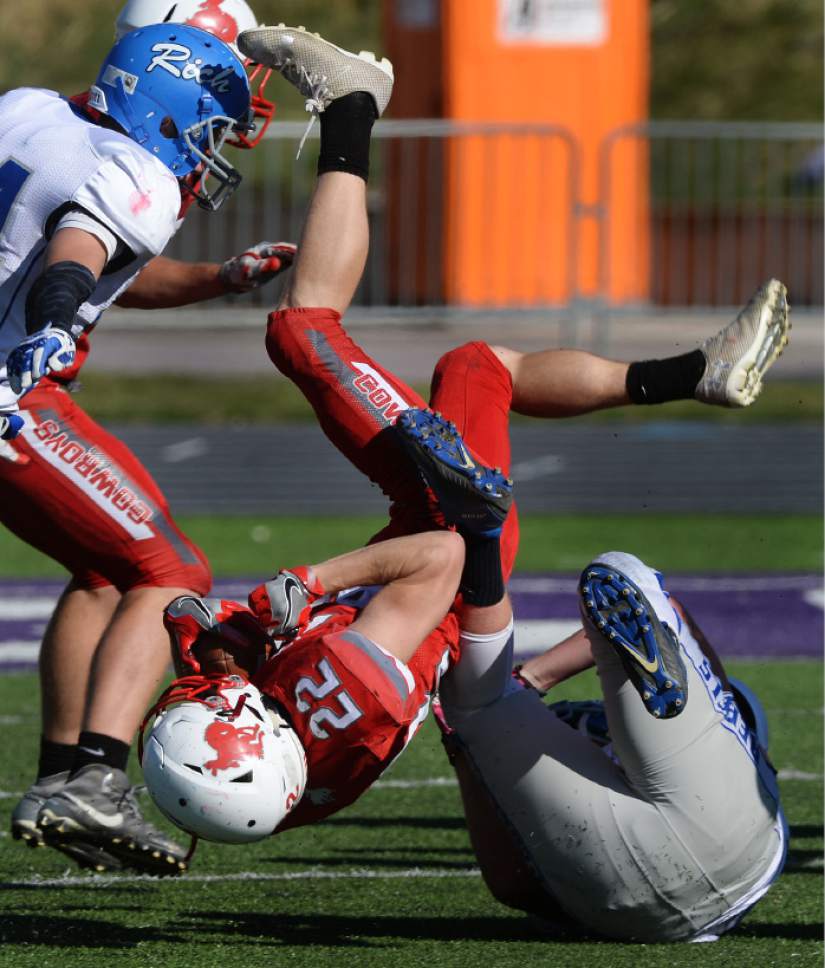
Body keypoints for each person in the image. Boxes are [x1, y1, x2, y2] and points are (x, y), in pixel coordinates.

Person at [108, 25, 788, 863]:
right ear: (252, 745)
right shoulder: (339, 695)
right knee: (302, 334)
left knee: (474, 367)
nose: (204, 708)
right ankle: (352, 103)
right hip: (451, 535)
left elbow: (217, 670)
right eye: (214, 721)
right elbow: (433, 559)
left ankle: (695, 373)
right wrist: (308, 581)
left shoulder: (274, 782)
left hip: (449, 587)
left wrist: (217, 647)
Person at [4, 17, 294, 876]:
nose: (210, 151)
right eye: (206, 127)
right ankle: (96, 779)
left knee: (104, 569)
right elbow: (80, 249)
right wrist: (54, 321)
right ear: (166, 109)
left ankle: (64, 783)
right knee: (171, 572)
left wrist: (217, 279)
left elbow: (95, 252)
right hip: (12, 391)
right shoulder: (136, 170)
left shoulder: (32, 111)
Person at [436, 554, 787, 943]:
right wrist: (465, 747)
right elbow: (509, 885)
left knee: (622, 572)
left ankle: (484, 536)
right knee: (470, 701)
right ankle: (481, 539)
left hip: (664, 852)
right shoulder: (746, 774)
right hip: (659, 900)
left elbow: (670, 609)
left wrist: (531, 678)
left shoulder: (735, 744)